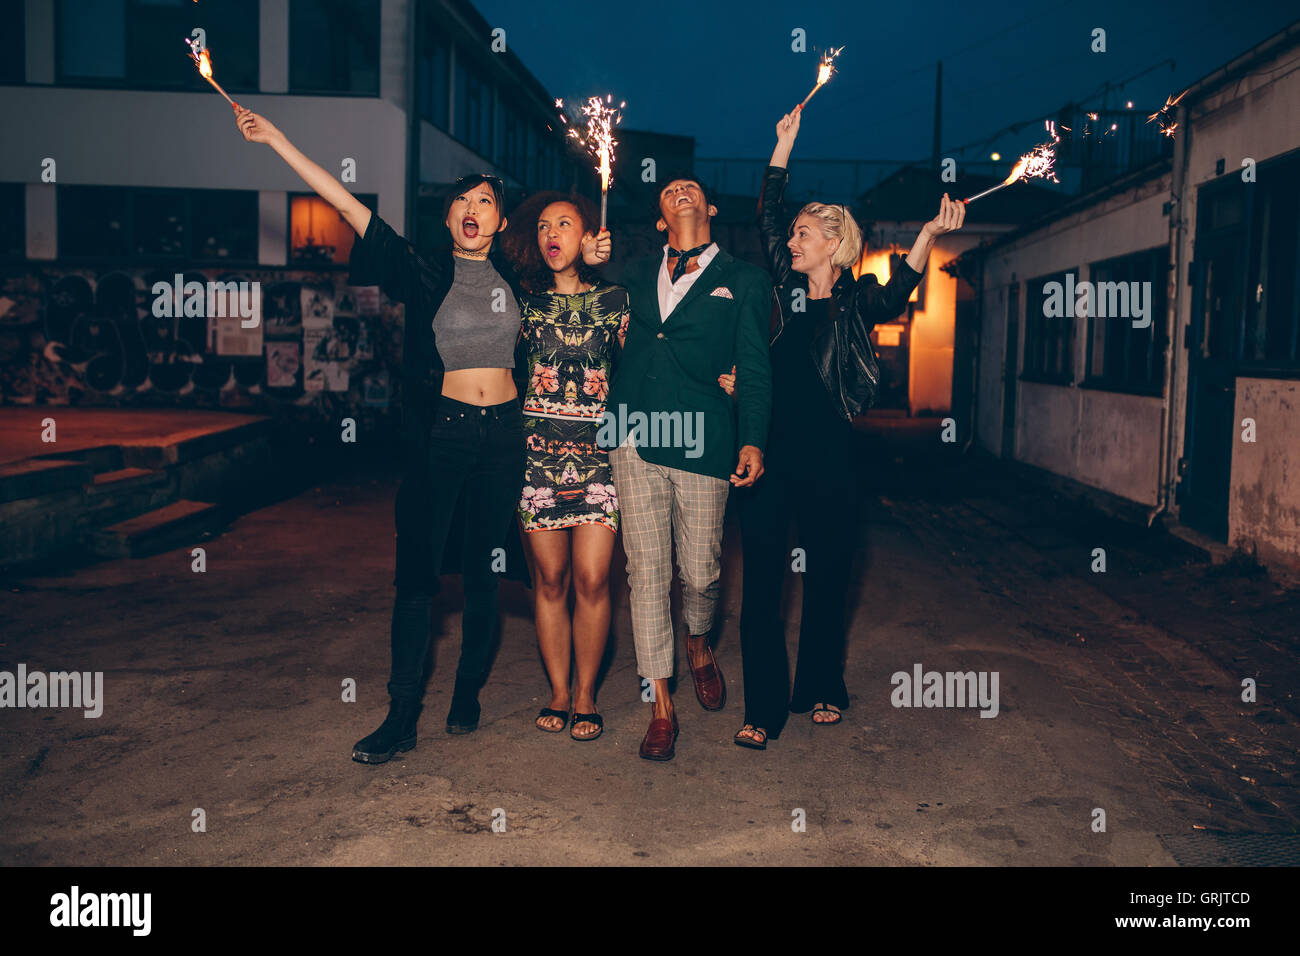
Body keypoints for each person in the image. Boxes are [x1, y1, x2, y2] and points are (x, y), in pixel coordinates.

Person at [233, 106, 600, 762]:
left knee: (487, 576)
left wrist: (593, 253)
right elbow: (346, 206)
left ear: (498, 218)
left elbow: (577, 283)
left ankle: (467, 690)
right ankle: (401, 715)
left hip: (506, 441)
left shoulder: (522, 280)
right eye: (461, 200)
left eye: (484, 201)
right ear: (449, 217)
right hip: (444, 437)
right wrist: (278, 140)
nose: (471, 207)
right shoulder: (422, 270)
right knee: (417, 579)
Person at [726, 106, 965, 750]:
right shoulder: (788, 288)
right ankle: (764, 707)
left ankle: (823, 687)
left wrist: (929, 233)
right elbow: (766, 219)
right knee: (763, 584)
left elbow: (902, 289)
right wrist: (782, 148)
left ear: (834, 241)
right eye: (796, 233)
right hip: (769, 450)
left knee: (829, 574)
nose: (794, 240)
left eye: (807, 233)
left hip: (830, 453)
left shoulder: (857, 298)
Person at [602, 175, 773, 761]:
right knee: (646, 572)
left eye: (692, 186)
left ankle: (699, 640)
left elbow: (752, 366)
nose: (680, 189)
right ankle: (661, 705)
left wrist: (752, 439)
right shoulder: (629, 275)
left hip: (703, 438)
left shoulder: (745, 280)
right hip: (631, 433)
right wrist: (589, 257)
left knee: (700, 570)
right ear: (659, 217)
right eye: (669, 188)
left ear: (711, 207)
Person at [503, 191, 626, 742]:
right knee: (549, 579)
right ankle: (557, 690)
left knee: (593, 578)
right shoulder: (521, 303)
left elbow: (659, 350)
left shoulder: (617, 301)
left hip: (600, 457)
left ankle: (585, 694)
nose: (553, 234)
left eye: (566, 225)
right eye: (545, 226)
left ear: (587, 237)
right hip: (537, 458)